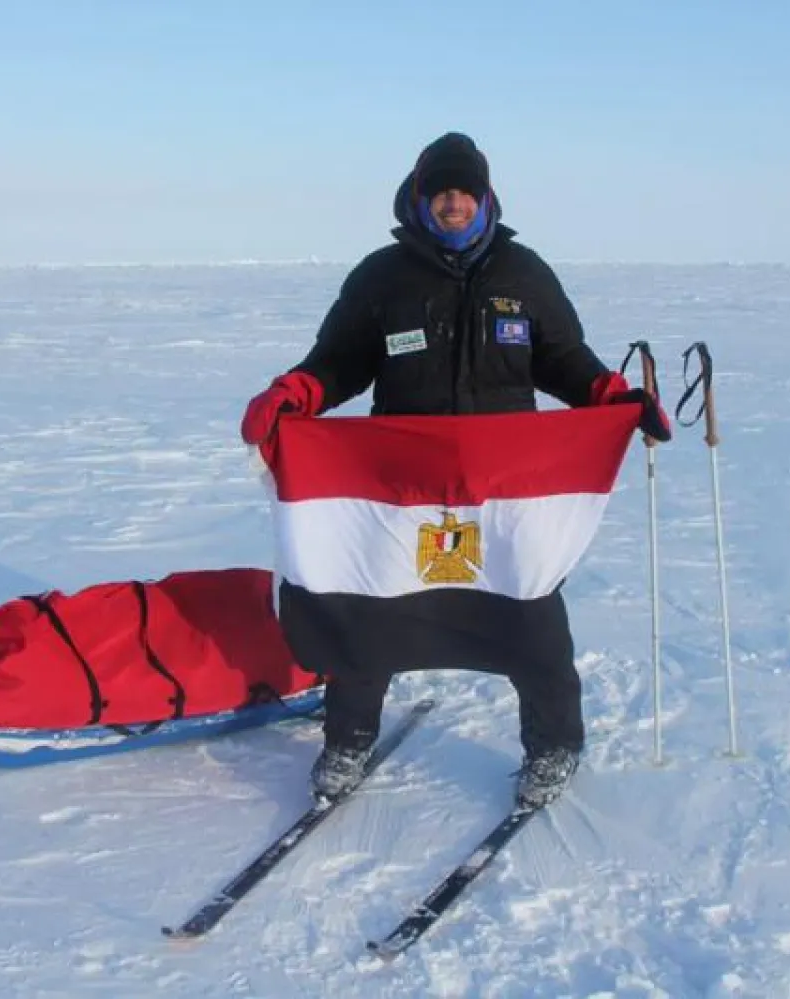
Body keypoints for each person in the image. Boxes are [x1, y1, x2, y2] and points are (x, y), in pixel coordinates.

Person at [240, 132, 670, 809]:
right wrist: (296, 392)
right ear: (420, 197)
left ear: (485, 197)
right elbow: (338, 361)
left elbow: (564, 357)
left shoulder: (522, 273)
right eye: (441, 191)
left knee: (527, 612)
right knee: (372, 608)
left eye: (464, 191)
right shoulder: (382, 277)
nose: (453, 202)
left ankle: (555, 743)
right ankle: (348, 737)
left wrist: (611, 398)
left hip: (503, 487)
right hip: (404, 486)